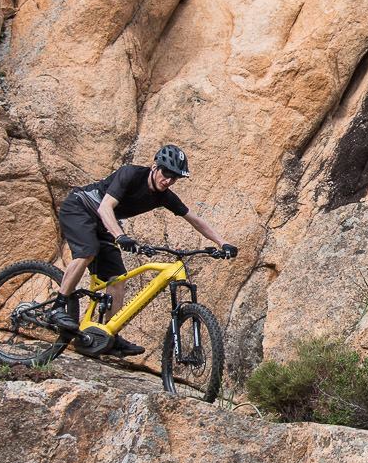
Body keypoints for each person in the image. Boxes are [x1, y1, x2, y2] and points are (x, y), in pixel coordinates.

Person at [45, 143, 236, 356]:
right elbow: (105, 207)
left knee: (117, 278)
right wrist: (120, 236)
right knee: (88, 251)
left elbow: (194, 219)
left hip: (103, 223)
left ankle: (109, 336)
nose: (168, 180)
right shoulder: (130, 174)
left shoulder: (164, 196)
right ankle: (58, 307)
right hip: (80, 207)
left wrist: (222, 243)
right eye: (166, 173)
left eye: (174, 178)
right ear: (155, 167)